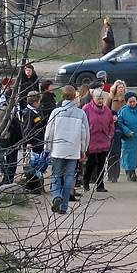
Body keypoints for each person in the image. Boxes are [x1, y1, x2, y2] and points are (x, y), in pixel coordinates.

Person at [45, 84, 90, 214]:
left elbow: (49, 132)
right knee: (70, 176)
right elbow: (85, 133)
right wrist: (83, 150)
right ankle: (64, 205)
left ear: (63, 96)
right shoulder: (80, 113)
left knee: (56, 174)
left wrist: (47, 148)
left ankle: (56, 196)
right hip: (73, 149)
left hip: (58, 148)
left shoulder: (56, 112)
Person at [83, 88, 115, 193]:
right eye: (98, 98)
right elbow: (83, 124)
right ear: (93, 98)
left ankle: (100, 185)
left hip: (103, 139)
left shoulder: (107, 110)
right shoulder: (86, 108)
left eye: (101, 98)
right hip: (91, 139)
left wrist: (110, 135)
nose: (100, 100)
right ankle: (86, 181)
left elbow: (111, 124)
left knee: (101, 163)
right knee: (91, 162)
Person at [105, 80, 129, 184]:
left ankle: (117, 174)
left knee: (119, 152)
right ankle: (111, 174)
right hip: (112, 124)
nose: (121, 89)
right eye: (119, 87)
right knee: (112, 155)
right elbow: (106, 110)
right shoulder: (111, 98)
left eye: (122, 87)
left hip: (123, 125)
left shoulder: (125, 99)